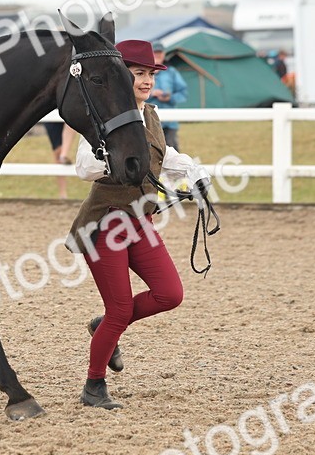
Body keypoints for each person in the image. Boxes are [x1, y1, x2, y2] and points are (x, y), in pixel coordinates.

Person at [67, 39, 210, 410]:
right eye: (138, 73)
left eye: (150, 74)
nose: (147, 81)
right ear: (120, 76)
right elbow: (83, 167)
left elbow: (164, 154)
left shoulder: (151, 114)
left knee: (170, 294)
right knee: (120, 311)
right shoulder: (102, 117)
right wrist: (115, 157)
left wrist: (193, 172)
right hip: (106, 224)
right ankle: (93, 386)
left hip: (139, 222)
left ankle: (103, 326)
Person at [144, 42, 188, 151]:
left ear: (164, 54)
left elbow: (183, 92)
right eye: (155, 52)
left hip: (170, 123)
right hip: (148, 121)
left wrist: (170, 98)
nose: (157, 55)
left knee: (172, 152)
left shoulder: (171, 72)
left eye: (160, 53)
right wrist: (151, 93)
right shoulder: (142, 71)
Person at [43, 121, 79, 199]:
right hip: (51, 117)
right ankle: (62, 194)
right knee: (57, 153)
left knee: (70, 122)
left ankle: (64, 154)